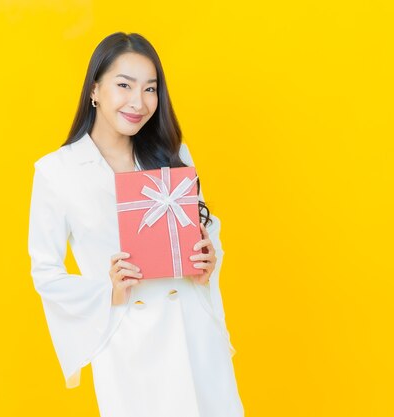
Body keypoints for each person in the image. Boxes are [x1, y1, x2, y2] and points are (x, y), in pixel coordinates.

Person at [27, 32, 244, 417]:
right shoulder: (57, 172)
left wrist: (209, 258)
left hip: (193, 332)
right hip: (130, 344)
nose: (138, 101)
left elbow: (207, 228)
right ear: (95, 89)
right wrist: (106, 291)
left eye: (150, 89)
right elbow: (45, 272)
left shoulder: (172, 154)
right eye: (123, 85)